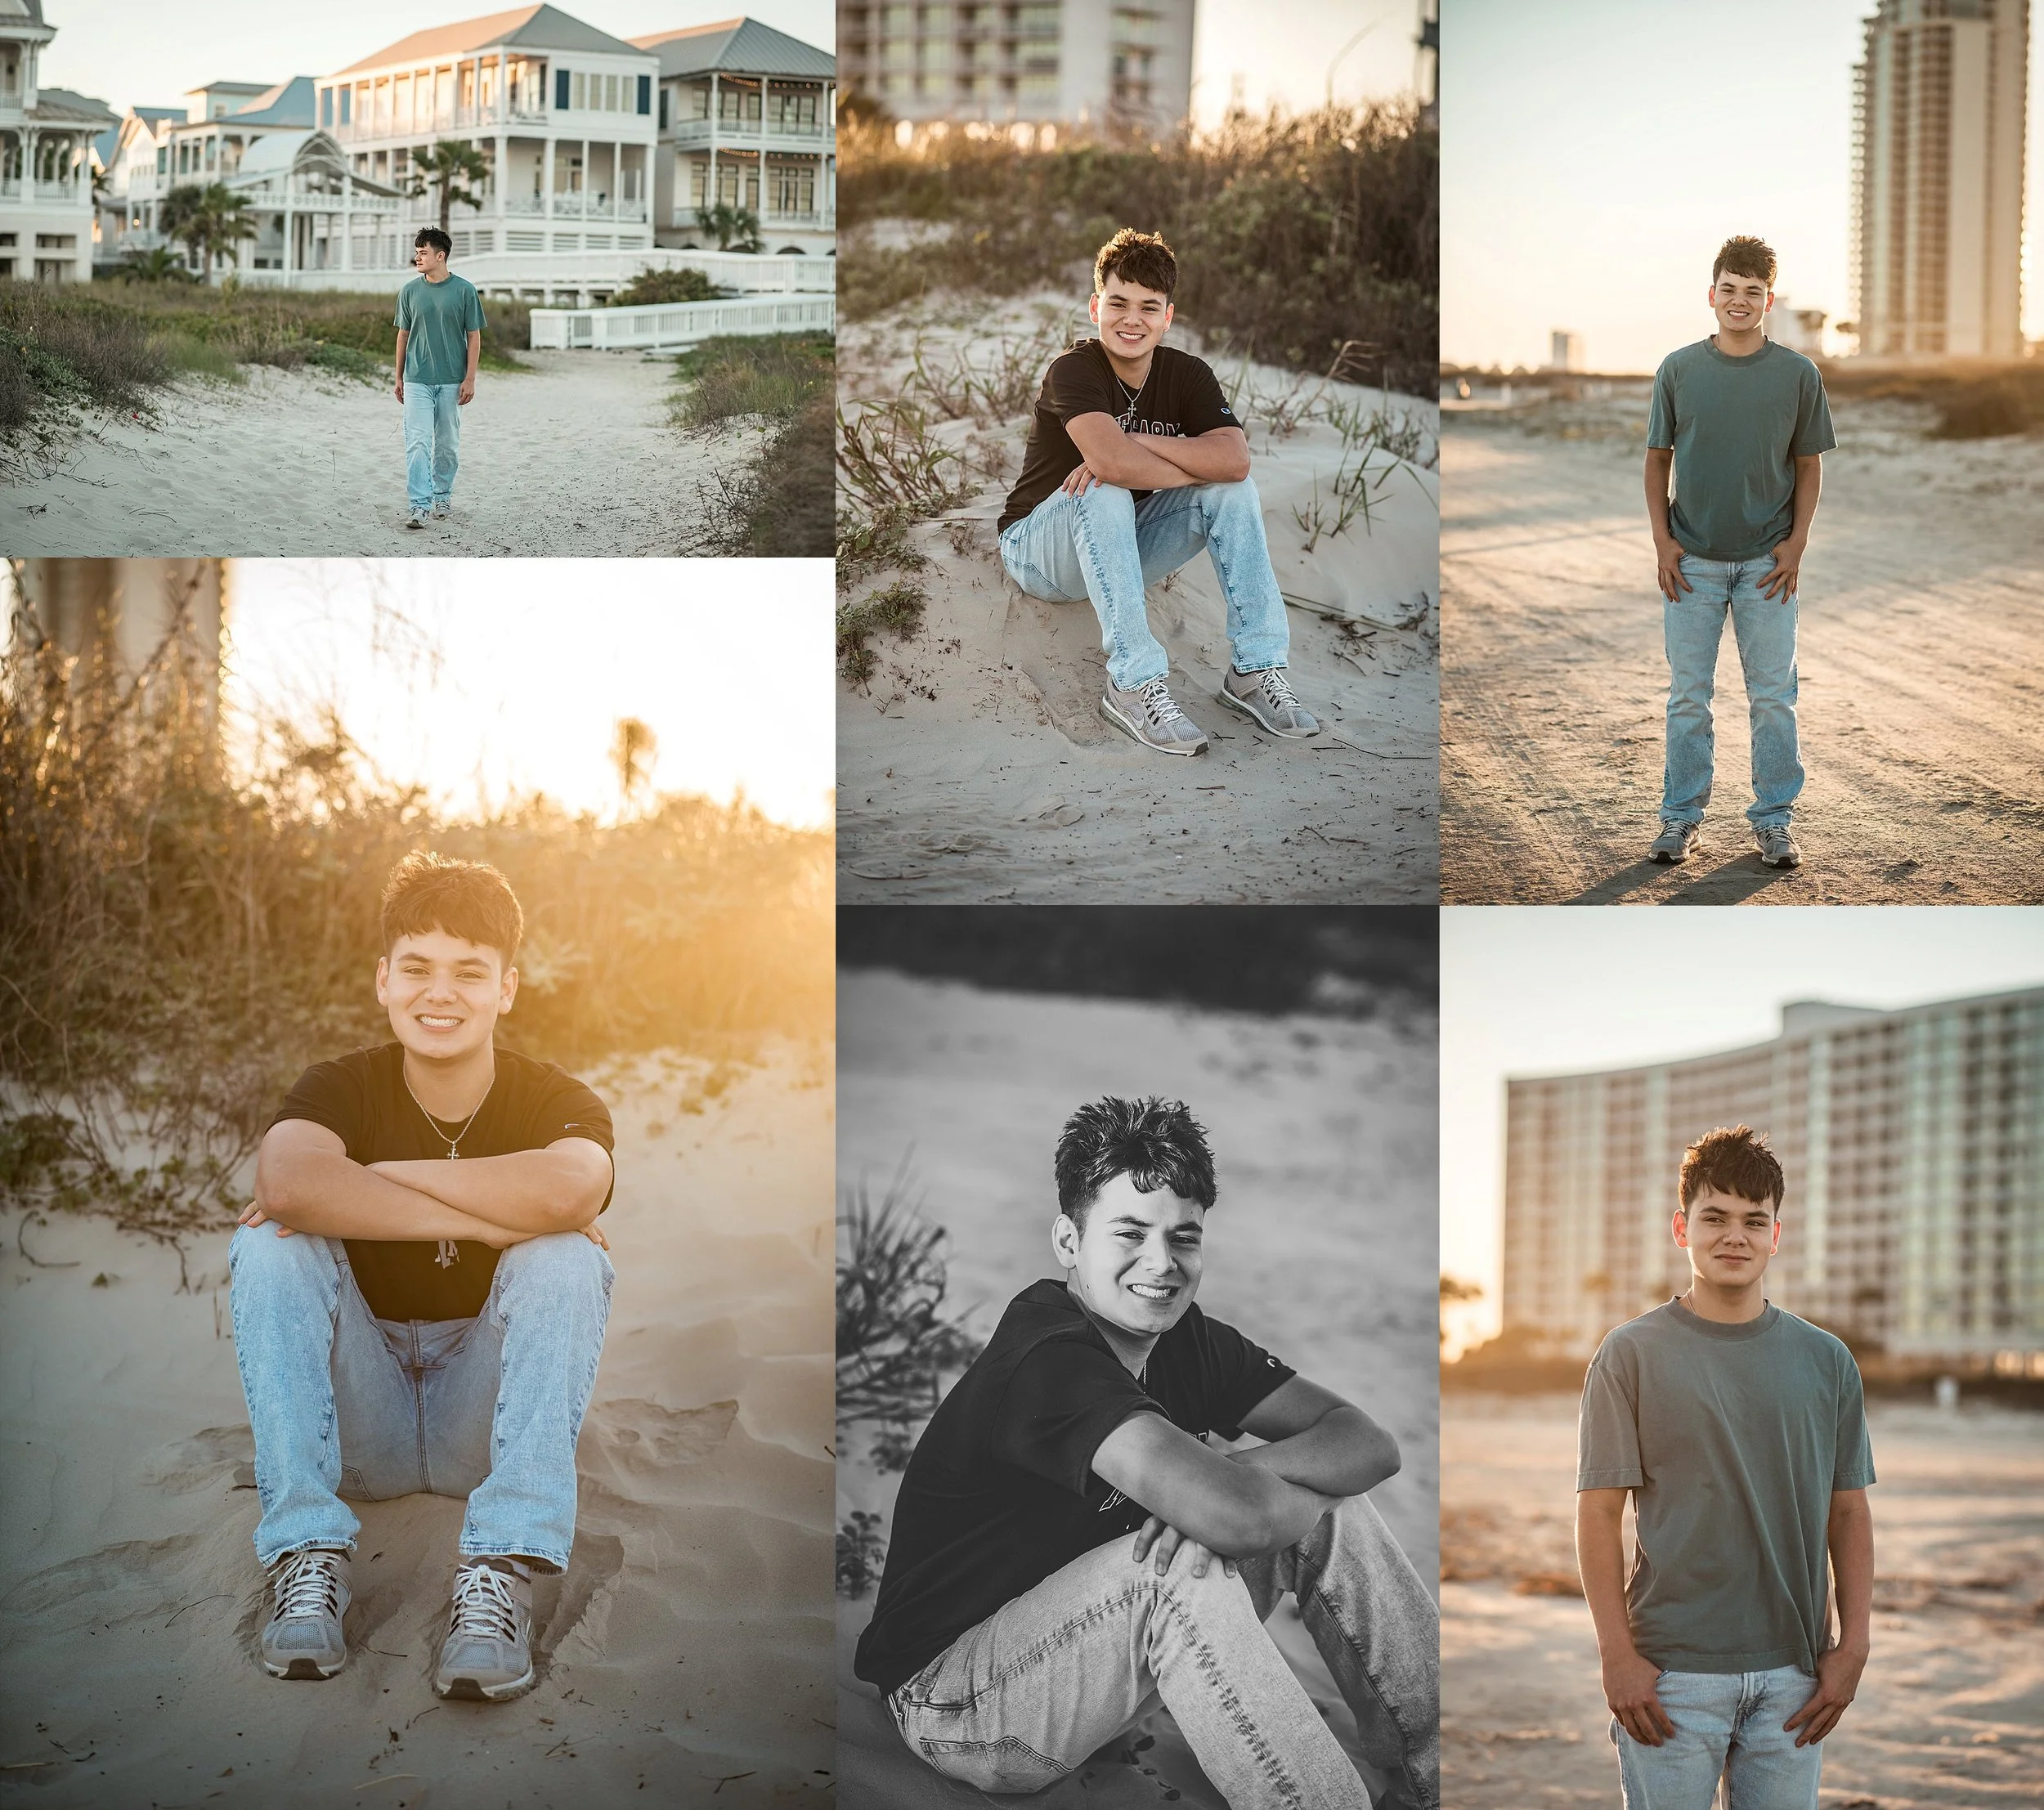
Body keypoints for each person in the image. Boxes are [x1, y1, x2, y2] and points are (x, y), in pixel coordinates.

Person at [854, 1095, 1439, 1808]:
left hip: (1087, 1665)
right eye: (1129, 1233)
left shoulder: (1187, 1339)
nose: (1160, 1265)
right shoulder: (1049, 1362)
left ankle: (1434, 1779)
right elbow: (1241, 1522)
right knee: (1175, 1572)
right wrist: (1226, 1497)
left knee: (1332, 1510)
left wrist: (1242, 1471)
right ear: (1069, 1242)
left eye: (1184, 1238)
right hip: (959, 1705)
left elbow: (1368, 1445)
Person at [231, 852, 616, 1702]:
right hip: (357, 1438)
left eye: (469, 972)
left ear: (506, 988)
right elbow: (288, 1186)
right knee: (271, 1244)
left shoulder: (556, 1099)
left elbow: (571, 1191)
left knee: (566, 1253)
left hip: (485, 1433)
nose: (439, 994)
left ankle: (499, 1569)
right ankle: (305, 1553)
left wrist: (368, 1184)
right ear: (382, 979)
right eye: (417, 968)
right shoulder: (338, 1085)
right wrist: (488, 1215)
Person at [1576, 1125, 1875, 1810]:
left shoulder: (1827, 1360)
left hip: (1796, 1675)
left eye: (1753, 1221)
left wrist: (1852, 1646)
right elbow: (1598, 1513)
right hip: (1671, 1674)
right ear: (1682, 1228)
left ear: (1777, 1234)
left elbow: (1849, 1509)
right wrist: (1617, 1657)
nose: (1734, 1236)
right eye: (1715, 1217)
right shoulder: (1629, 1355)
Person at [995, 230, 1320, 756]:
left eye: (1149, 307)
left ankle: (1254, 672)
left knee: (1233, 493)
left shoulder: (1188, 375)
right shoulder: (1073, 370)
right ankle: (1132, 683)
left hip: (1117, 550)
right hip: (1039, 552)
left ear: (1167, 316)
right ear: (1096, 306)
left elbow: (1236, 463)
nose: (1132, 319)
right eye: (1118, 303)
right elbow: (1111, 464)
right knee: (1100, 488)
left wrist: (1138, 440)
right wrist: (1173, 460)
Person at [1644, 236, 1836, 870]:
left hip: (1767, 565)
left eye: (1752, 292)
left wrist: (1796, 546)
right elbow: (1656, 461)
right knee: (1688, 697)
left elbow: (1808, 467)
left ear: (1768, 301)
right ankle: (1680, 820)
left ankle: (1775, 822)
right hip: (1692, 561)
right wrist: (1664, 545)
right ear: (1711, 294)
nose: (1739, 301)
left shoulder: (1798, 374)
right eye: (1729, 289)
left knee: (1773, 697)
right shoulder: (1678, 369)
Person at [393, 227, 485, 531]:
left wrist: (470, 379)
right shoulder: (409, 291)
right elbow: (403, 334)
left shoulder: (465, 291)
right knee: (417, 443)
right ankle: (419, 505)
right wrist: (399, 377)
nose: (417, 257)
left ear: (440, 256)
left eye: (423, 252)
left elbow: (474, 337)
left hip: (451, 380)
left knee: (447, 445)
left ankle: (442, 496)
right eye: (417, 252)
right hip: (417, 378)